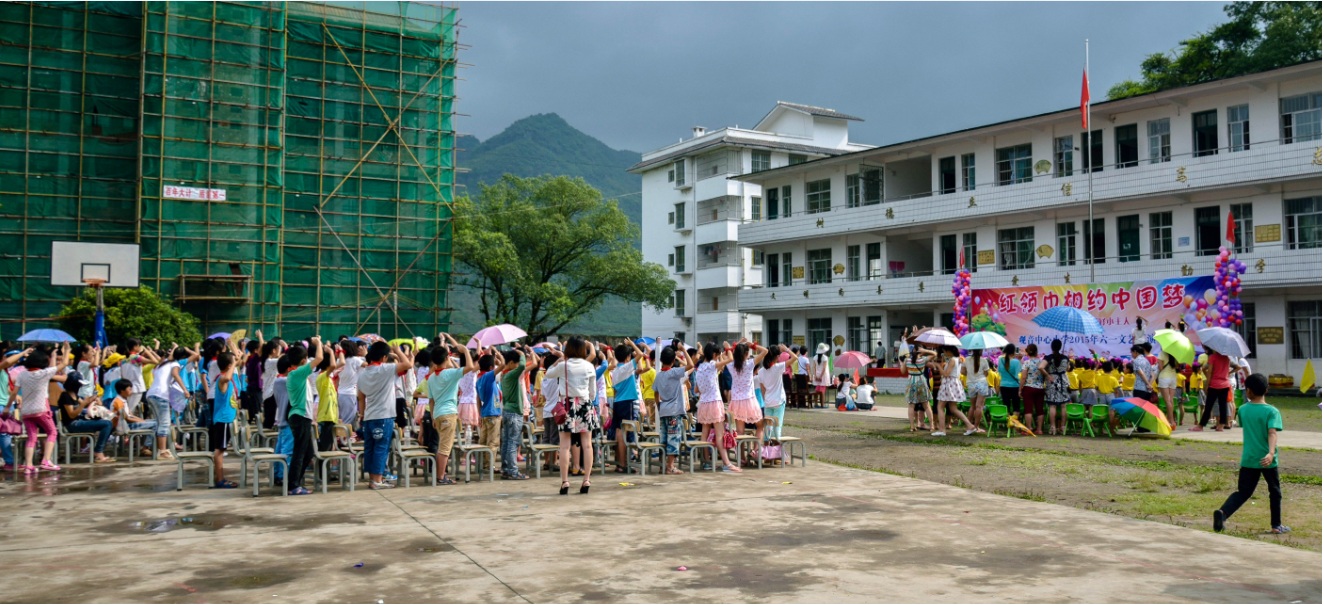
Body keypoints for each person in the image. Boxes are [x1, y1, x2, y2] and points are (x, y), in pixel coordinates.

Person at [1213, 373, 1288, 535]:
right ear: (1267, 390)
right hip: (1268, 459)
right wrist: (1270, 452)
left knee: (1243, 492)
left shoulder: (1244, 410)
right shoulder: (1272, 411)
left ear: (1248, 391)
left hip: (1249, 459)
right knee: (1274, 491)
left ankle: (1223, 513)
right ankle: (1276, 525)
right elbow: (1272, 433)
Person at [544, 337, 601, 494]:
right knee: (587, 444)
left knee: (564, 446)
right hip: (584, 404)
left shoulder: (563, 366)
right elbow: (593, 392)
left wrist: (559, 359)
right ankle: (587, 480)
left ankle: (565, 482)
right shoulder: (589, 366)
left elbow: (548, 373)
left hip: (566, 405)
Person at [357, 341, 413, 489]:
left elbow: (361, 397)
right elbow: (408, 365)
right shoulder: (385, 369)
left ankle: (372, 479)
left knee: (370, 448)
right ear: (383, 357)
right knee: (381, 448)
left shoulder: (362, 375)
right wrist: (398, 352)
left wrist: (362, 415)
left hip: (369, 416)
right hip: (383, 416)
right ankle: (377, 480)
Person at [423, 335, 472, 485]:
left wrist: (432, 417)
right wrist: (466, 352)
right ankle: (441, 477)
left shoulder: (431, 377)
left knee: (442, 446)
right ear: (446, 359)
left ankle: (440, 475)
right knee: (445, 448)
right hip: (448, 413)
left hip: (437, 413)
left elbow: (431, 400)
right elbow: (469, 367)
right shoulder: (450, 374)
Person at [18, 345, 69, 474]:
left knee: (31, 437)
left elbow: (14, 392)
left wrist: (8, 406)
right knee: (52, 432)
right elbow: (64, 364)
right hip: (41, 409)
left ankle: (28, 466)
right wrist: (67, 351)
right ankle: (46, 460)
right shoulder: (44, 373)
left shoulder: (22, 375)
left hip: (26, 412)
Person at [284, 338, 323, 496]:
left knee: (307, 452)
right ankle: (293, 485)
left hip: (302, 416)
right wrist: (319, 343)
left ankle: (296, 482)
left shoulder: (297, 373)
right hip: (300, 417)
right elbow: (319, 358)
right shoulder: (297, 373)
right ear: (303, 360)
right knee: (300, 452)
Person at [695, 342, 741, 473]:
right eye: (718, 355)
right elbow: (731, 359)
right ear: (714, 354)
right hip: (714, 402)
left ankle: (706, 461)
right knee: (720, 434)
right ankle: (727, 463)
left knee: (705, 433)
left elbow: (697, 389)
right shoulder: (711, 366)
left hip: (703, 403)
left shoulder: (699, 368)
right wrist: (727, 347)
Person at [58, 372, 116, 465]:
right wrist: (83, 404)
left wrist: (92, 400)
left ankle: (99, 450)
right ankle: (99, 452)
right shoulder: (65, 396)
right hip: (72, 424)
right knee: (107, 424)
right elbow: (72, 414)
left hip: (79, 421)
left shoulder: (74, 395)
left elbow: (85, 404)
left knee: (109, 422)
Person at [652, 345, 693, 475]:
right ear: (673, 360)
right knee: (673, 438)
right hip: (674, 410)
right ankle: (670, 466)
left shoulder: (659, 376)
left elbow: (656, 393)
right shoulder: (674, 372)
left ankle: (662, 465)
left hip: (663, 410)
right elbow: (691, 364)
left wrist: (659, 405)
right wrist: (683, 350)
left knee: (664, 439)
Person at [499, 345, 536, 481]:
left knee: (507, 442)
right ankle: (513, 471)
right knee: (513, 443)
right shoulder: (511, 374)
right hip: (515, 413)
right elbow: (521, 367)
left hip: (507, 411)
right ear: (510, 363)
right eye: (515, 362)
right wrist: (521, 353)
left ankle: (506, 468)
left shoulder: (504, 375)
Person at [607, 339, 645, 474]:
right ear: (628, 357)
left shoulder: (616, 371)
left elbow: (616, 390)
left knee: (618, 432)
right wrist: (632, 345)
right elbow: (641, 354)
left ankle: (619, 462)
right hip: (627, 402)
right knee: (625, 433)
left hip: (618, 402)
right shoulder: (627, 367)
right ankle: (623, 464)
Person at [144, 346, 188, 460]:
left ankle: (159, 449)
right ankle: (162, 451)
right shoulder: (175, 364)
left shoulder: (162, 364)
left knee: (159, 423)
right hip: (161, 395)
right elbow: (175, 374)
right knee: (164, 423)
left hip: (151, 394)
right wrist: (185, 390)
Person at [728, 340, 768, 445]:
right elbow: (765, 351)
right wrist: (753, 345)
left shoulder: (731, 365)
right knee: (760, 426)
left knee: (739, 431)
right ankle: (756, 450)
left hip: (736, 401)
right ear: (746, 354)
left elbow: (724, 355)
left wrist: (730, 348)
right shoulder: (750, 364)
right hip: (749, 400)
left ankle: (742, 457)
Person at [934, 345, 980, 436]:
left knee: (940, 406)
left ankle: (942, 430)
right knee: (953, 408)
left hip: (949, 384)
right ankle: (970, 425)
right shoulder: (957, 359)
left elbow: (946, 374)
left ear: (949, 351)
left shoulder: (952, 360)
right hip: (954, 383)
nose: (944, 353)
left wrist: (938, 367)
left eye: (945, 351)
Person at [209, 351, 239, 488]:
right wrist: (233, 363)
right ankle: (220, 479)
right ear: (228, 366)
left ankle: (220, 477)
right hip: (223, 419)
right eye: (232, 363)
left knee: (221, 449)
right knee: (219, 450)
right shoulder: (222, 379)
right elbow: (226, 379)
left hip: (225, 419)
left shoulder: (225, 377)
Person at [1193, 350, 1233, 432]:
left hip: (1214, 384)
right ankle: (1221, 425)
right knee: (1223, 406)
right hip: (1225, 384)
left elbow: (1210, 372)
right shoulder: (1227, 358)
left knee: (1208, 406)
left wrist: (1207, 385)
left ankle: (1201, 425)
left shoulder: (1213, 357)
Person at [475, 351, 502, 474]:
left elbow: (478, 399)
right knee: (493, 442)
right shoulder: (487, 376)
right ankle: (489, 466)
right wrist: (499, 359)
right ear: (491, 368)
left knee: (483, 441)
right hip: (493, 413)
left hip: (485, 412)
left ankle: (482, 465)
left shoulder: (479, 379)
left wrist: (479, 413)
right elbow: (503, 366)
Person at [757, 345, 789, 440]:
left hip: (768, 401)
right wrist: (786, 349)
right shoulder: (778, 367)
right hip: (779, 401)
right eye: (779, 355)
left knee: (767, 427)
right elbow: (795, 358)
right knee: (777, 427)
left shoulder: (761, 371)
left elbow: (763, 389)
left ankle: (767, 450)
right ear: (776, 357)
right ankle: (777, 450)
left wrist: (765, 400)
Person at [1042, 340, 1072, 436]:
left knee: (1052, 405)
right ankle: (1063, 427)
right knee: (1064, 406)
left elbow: (1040, 367)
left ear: (1052, 347)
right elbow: (1067, 369)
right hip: (1063, 382)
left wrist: (1048, 375)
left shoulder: (1048, 358)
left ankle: (1053, 427)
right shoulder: (1065, 358)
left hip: (1052, 382)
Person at [905, 348, 935, 432]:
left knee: (911, 405)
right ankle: (932, 426)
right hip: (921, 383)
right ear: (920, 352)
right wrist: (925, 351)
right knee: (926, 405)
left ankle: (912, 426)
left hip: (911, 383)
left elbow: (903, 371)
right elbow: (934, 354)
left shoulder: (907, 360)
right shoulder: (923, 360)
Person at [1019, 343, 1045, 435]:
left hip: (1028, 388)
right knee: (1040, 409)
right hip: (1040, 388)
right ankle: (1039, 429)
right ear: (1036, 352)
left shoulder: (1026, 363)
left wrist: (1020, 389)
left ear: (1027, 352)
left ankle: (1029, 428)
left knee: (1028, 409)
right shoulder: (1042, 363)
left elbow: (1023, 377)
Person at [997, 344, 1022, 417]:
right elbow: (1018, 372)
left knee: (1006, 405)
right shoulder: (1016, 362)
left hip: (1003, 385)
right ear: (1014, 351)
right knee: (1016, 407)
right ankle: (1014, 423)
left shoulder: (1000, 360)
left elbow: (999, 371)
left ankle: (1008, 423)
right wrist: (1020, 360)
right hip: (1015, 386)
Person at [1156, 352, 1178, 426]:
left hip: (1164, 378)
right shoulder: (1175, 354)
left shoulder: (1161, 354)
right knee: (1171, 400)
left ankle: (1172, 421)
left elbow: (1160, 368)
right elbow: (1177, 367)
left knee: (1167, 401)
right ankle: (1169, 420)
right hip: (1173, 378)